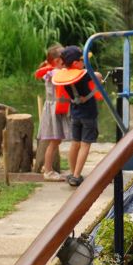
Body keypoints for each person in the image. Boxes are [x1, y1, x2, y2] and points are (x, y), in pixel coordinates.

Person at [52, 46, 103, 187]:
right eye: (82, 60)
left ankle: (73, 172)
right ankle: (76, 175)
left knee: (75, 143)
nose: (85, 62)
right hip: (88, 114)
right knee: (85, 144)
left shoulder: (65, 76)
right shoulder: (82, 74)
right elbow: (97, 76)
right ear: (75, 63)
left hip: (75, 113)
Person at [34, 44, 72, 182]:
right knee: (54, 141)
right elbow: (67, 78)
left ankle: (47, 166)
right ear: (57, 61)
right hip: (54, 109)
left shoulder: (52, 71)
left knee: (56, 140)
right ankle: (48, 171)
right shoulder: (56, 73)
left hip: (54, 108)